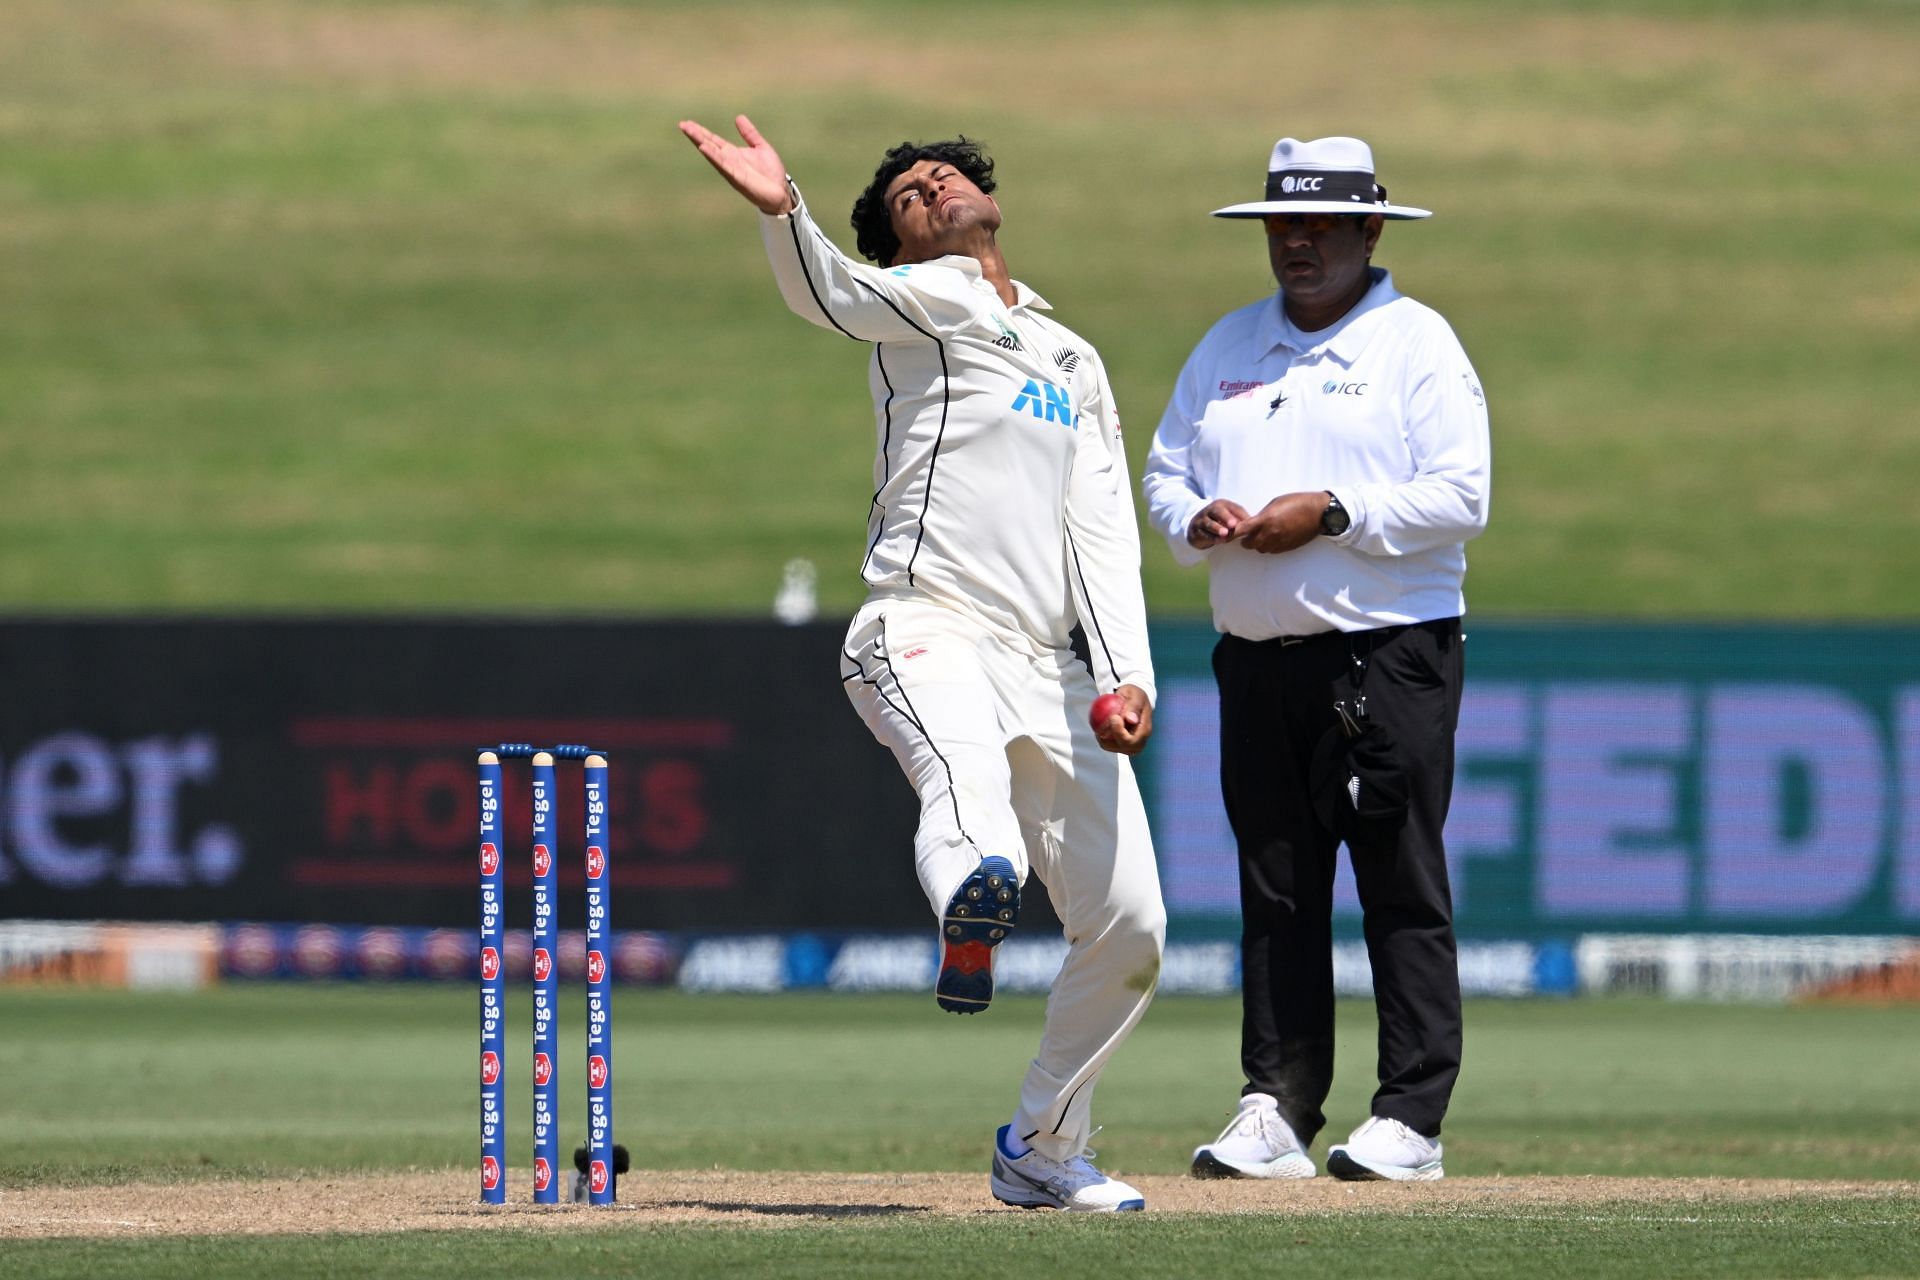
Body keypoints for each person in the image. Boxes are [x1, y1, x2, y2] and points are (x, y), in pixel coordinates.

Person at [679, 115, 1166, 1212]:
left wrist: (1126, 673)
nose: (930, 184)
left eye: (941, 174)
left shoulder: (1069, 354)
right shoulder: (920, 304)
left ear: (988, 196)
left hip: (1047, 663)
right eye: (906, 196)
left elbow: (1099, 526)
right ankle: (971, 900)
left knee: (1134, 925)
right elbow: (833, 294)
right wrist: (784, 210)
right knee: (975, 812)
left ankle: (1040, 1146)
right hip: (922, 620)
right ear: (904, 246)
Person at [1142, 136, 1490, 1182]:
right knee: (1276, 885)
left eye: (1321, 226)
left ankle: (1411, 1116)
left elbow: (1462, 495)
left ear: (1369, 229)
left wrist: (1334, 513)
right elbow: (1163, 470)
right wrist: (1195, 519)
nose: (1297, 244)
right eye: (1281, 226)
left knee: (1396, 872)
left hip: (1383, 653)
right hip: (1256, 657)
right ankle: (1276, 1104)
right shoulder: (1230, 345)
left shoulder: (1413, 342)